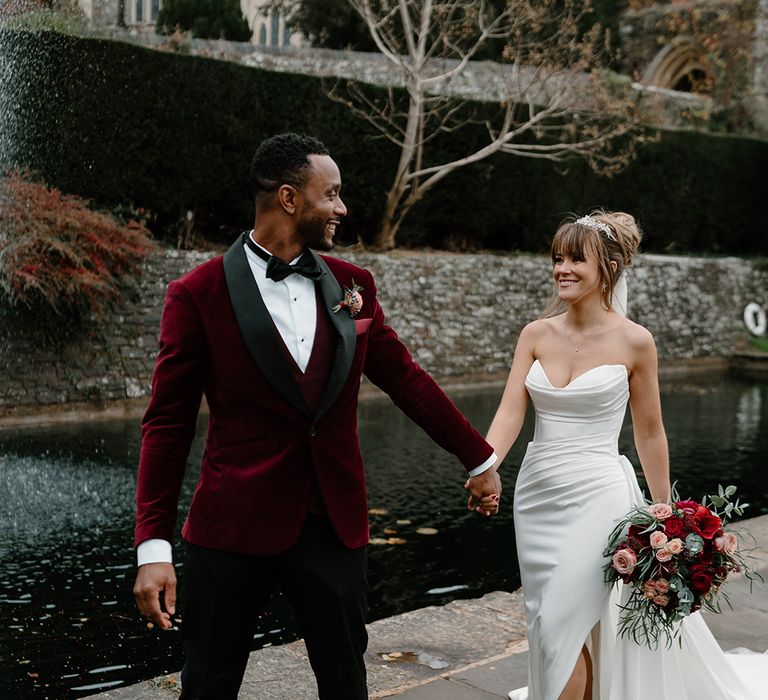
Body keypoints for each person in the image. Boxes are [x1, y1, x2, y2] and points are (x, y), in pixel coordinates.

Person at [131, 132, 501, 700]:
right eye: (331, 195)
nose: (342, 208)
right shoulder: (196, 294)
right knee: (208, 685)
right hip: (232, 528)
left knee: (346, 684)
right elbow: (167, 424)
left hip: (333, 523)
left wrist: (478, 456)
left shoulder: (355, 286)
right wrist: (152, 547)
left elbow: (404, 379)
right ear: (288, 198)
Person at [483, 211, 768, 699]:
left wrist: (667, 516)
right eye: (557, 258)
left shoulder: (635, 341)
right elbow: (511, 411)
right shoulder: (535, 334)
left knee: (562, 623)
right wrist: (484, 465)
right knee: (548, 617)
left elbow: (651, 433)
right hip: (536, 496)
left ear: (609, 269)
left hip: (598, 495)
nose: (562, 269)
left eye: (576, 259)